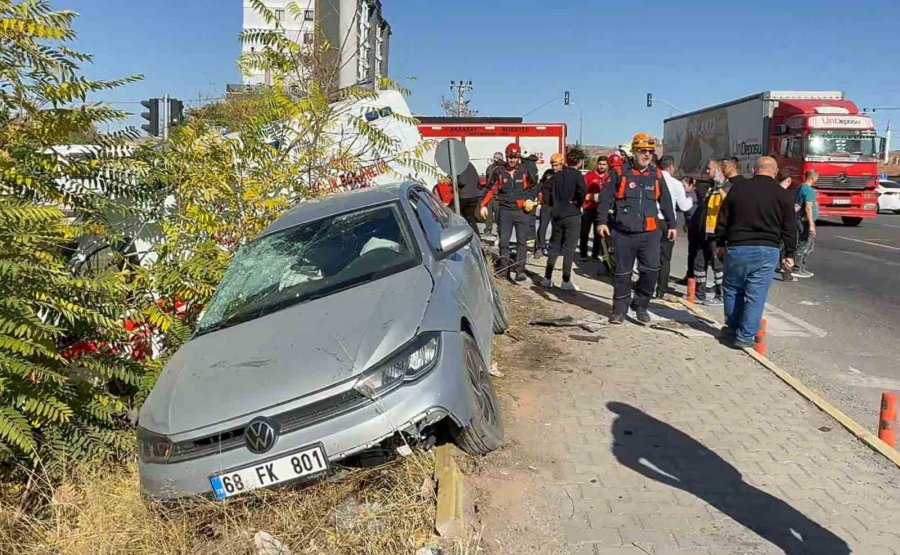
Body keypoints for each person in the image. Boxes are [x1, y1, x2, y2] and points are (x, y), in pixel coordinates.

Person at [715, 156, 797, 349]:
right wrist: (790, 254)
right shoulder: (782, 194)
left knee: (732, 289)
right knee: (755, 294)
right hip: (767, 250)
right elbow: (790, 227)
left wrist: (720, 243)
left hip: (737, 248)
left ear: (754, 169)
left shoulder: (738, 189)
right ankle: (744, 337)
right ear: (775, 172)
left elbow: (723, 218)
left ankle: (732, 329)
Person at [596, 133, 676, 324]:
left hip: (649, 234)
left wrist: (672, 225)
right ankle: (619, 310)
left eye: (650, 151)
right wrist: (601, 222)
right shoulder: (620, 172)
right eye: (642, 151)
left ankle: (640, 304)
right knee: (622, 274)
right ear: (634, 151)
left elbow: (665, 201)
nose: (647, 155)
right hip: (623, 233)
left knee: (651, 271)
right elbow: (606, 198)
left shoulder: (656, 175)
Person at [480, 143, 539, 283]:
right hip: (505, 210)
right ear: (506, 157)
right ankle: (503, 269)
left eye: (515, 157)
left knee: (522, 242)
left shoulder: (525, 170)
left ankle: (520, 270)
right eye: (510, 157)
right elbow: (489, 189)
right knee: (504, 241)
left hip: (522, 211)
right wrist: (483, 205)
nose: (512, 160)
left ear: (519, 157)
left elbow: (535, 186)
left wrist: (530, 199)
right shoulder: (499, 171)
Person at [542, 147, 587, 290]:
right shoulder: (577, 175)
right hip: (572, 215)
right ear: (580, 162)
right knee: (569, 249)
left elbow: (548, 194)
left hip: (557, 214)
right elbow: (583, 191)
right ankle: (566, 280)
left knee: (554, 247)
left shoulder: (557, 176)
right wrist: (577, 203)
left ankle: (547, 278)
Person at [656, 155, 693, 298]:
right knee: (665, 258)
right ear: (671, 167)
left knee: (649, 255)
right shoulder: (676, 183)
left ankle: (647, 285)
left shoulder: (653, 179)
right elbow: (684, 206)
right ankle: (661, 290)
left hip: (651, 221)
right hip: (666, 222)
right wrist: (690, 197)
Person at [692, 160, 726, 306]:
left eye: (709, 168)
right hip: (704, 232)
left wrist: (721, 186)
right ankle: (699, 293)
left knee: (717, 265)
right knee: (699, 263)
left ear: (718, 170)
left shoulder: (726, 187)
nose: (706, 171)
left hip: (715, 233)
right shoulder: (710, 188)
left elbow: (728, 204)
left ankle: (721, 294)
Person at [580, 155, 611, 261]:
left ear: (607, 165)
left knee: (598, 233)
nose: (602, 166)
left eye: (604, 164)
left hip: (601, 209)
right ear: (597, 164)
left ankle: (595, 254)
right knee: (584, 231)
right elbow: (582, 191)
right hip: (589, 208)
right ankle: (583, 253)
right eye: (600, 164)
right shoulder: (589, 176)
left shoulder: (609, 177)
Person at [535, 153, 563, 258]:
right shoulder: (548, 173)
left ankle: (554, 247)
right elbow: (541, 184)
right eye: (552, 165)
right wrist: (539, 193)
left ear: (561, 164)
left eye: (556, 165)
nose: (554, 167)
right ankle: (540, 247)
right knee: (542, 226)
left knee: (557, 228)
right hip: (546, 205)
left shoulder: (564, 174)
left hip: (558, 205)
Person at [794, 170, 819, 278]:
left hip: (800, 219)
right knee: (804, 245)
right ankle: (797, 268)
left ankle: (801, 267)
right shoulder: (809, 190)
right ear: (813, 178)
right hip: (805, 220)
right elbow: (808, 208)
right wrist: (811, 224)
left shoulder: (801, 187)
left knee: (807, 244)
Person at [455, 162, 482, 234]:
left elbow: (461, 181)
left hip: (466, 195)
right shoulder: (469, 164)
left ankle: (462, 234)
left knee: (454, 212)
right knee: (470, 217)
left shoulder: (459, 165)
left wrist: (454, 181)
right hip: (475, 195)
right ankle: (477, 237)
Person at [482, 152, 504, 235]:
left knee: (499, 215)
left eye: (497, 159)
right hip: (489, 194)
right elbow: (488, 181)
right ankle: (488, 229)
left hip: (498, 196)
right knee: (488, 214)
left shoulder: (503, 169)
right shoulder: (490, 168)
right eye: (495, 158)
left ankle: (500, 230)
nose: (495, 160)